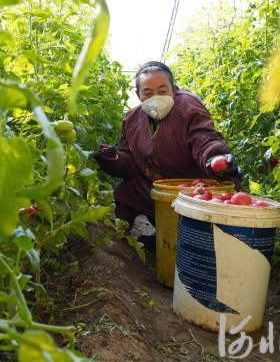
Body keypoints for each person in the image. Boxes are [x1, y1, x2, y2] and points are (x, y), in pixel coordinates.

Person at [93, 61, 241, 247]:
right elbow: (129, 159)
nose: (155, 97)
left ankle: (181, 240)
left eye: (162, 91)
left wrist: (215, 159)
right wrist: (113, 160)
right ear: (138, 95)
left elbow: (204, 137)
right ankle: (119, 240)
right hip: (159, 188)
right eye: (147, 92)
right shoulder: (132, 120)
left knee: (203, 219)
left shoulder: (188, 107)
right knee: (127, 190)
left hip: (193, 186)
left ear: (173, 89)